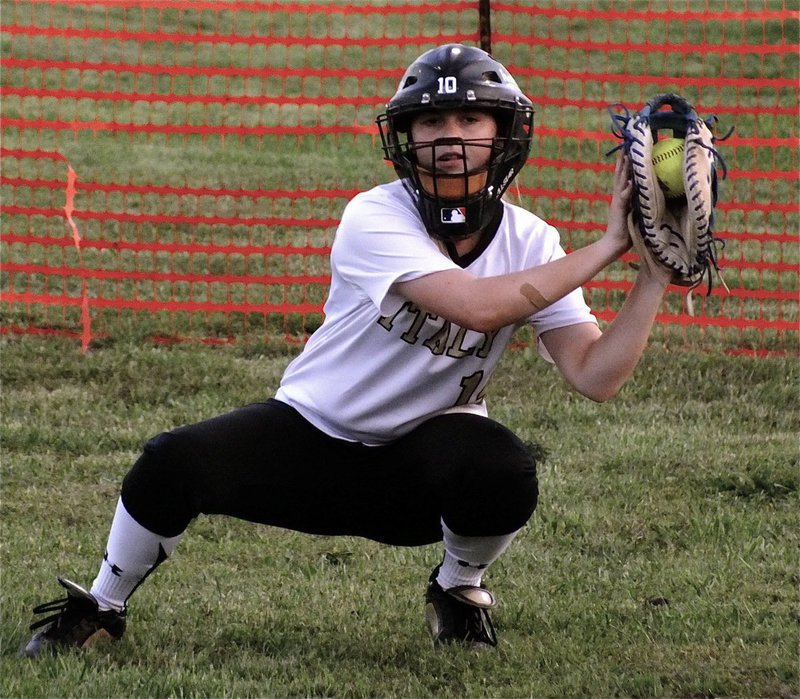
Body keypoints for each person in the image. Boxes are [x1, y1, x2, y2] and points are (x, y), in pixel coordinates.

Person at [21, 43, 672, 656]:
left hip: (421, 464)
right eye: (431, 119)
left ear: (503, 132)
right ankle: (102, 607)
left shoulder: (533, 242)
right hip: (311, 438)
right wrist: (612, 243)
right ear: (404, 137)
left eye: (471, 116)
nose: (449, 136)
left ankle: (458, 590)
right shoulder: (374, 215)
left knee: (501, 468)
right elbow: (474, 306)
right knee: (169, 462)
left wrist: (652, 275)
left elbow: (594, 374)